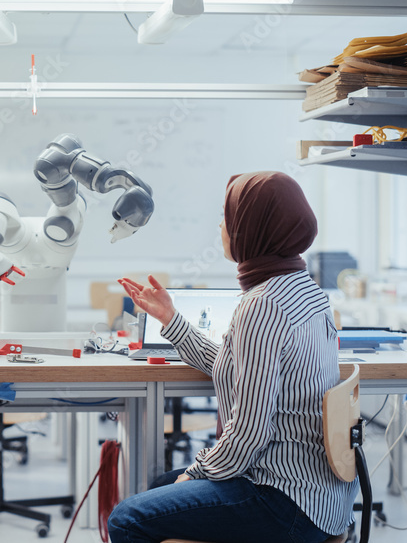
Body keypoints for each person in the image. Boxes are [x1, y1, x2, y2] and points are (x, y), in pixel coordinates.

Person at [111, 171, 358, 543]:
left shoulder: (262, 306)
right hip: (323, 496)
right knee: (160, 484)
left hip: (285, 501)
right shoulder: (304, 289)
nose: (222, 227)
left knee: (126, 520)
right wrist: (170, 318)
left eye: (228, 219)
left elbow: (248, 433)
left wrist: (195, 473)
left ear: (252, 230)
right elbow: (233, 367)